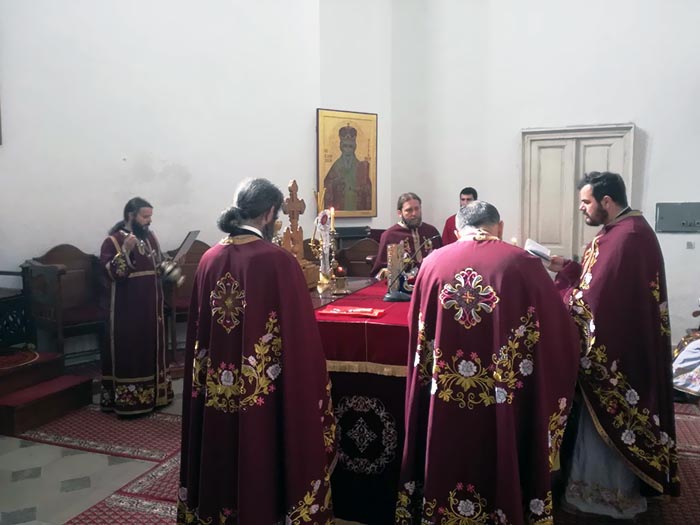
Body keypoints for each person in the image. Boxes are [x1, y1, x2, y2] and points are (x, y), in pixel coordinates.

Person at [396, 200, 579, 525]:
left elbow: (417, 329)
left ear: (457, 231)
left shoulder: (433, 262)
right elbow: (557, 327)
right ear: (500, 227)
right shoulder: (522, 263)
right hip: (505, 397)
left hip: (445, 395)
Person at [178, 178, 337, 525]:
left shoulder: (208, 259)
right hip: (265, 396)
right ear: (269, 214)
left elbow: (199, 336)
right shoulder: (278, 261)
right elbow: (300, 338)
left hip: (216, 391)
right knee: (262, 450)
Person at [548, 171, 679, 518]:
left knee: (604, 425)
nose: (581, 208)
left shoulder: (626, 238)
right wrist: (569, 269)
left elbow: (594, 302)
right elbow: (602, 282)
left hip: (618, 352)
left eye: (586, 202)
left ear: (606, 201)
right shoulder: (624, 230)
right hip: (625, 344)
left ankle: (604, 497)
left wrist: (557, 295)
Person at [99, 197, 173, 416]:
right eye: (145, 216)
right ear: (131, 216)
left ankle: (157, 397)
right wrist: (125, 250)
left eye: (150, 216)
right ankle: (131, 402)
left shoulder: (150, 237)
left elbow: (158, 266)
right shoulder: (112, 242)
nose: (149, 221)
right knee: (133, 352)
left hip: (152, 310)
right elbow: (113, 274)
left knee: (151, 349)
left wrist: (171, 265)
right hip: (128, 311)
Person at [370, 192, 442, 275]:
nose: (414, 213)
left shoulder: (432, 231)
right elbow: (380, 271)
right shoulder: (390, 235)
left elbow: (442, 260)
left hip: (430, 279)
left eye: (417, 209)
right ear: (400, 213)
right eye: (409, 210)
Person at [323, 124, 372, 211]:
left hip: (357, 206)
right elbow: (326, 185)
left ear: (354, 147)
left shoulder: (360, 166)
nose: (348, 150)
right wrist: (336, 182)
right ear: (341, 147)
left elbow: (368, 189)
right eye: (345, 146)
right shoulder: (336, 166)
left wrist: (361, 188)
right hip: (340, 206)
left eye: (350, 146)